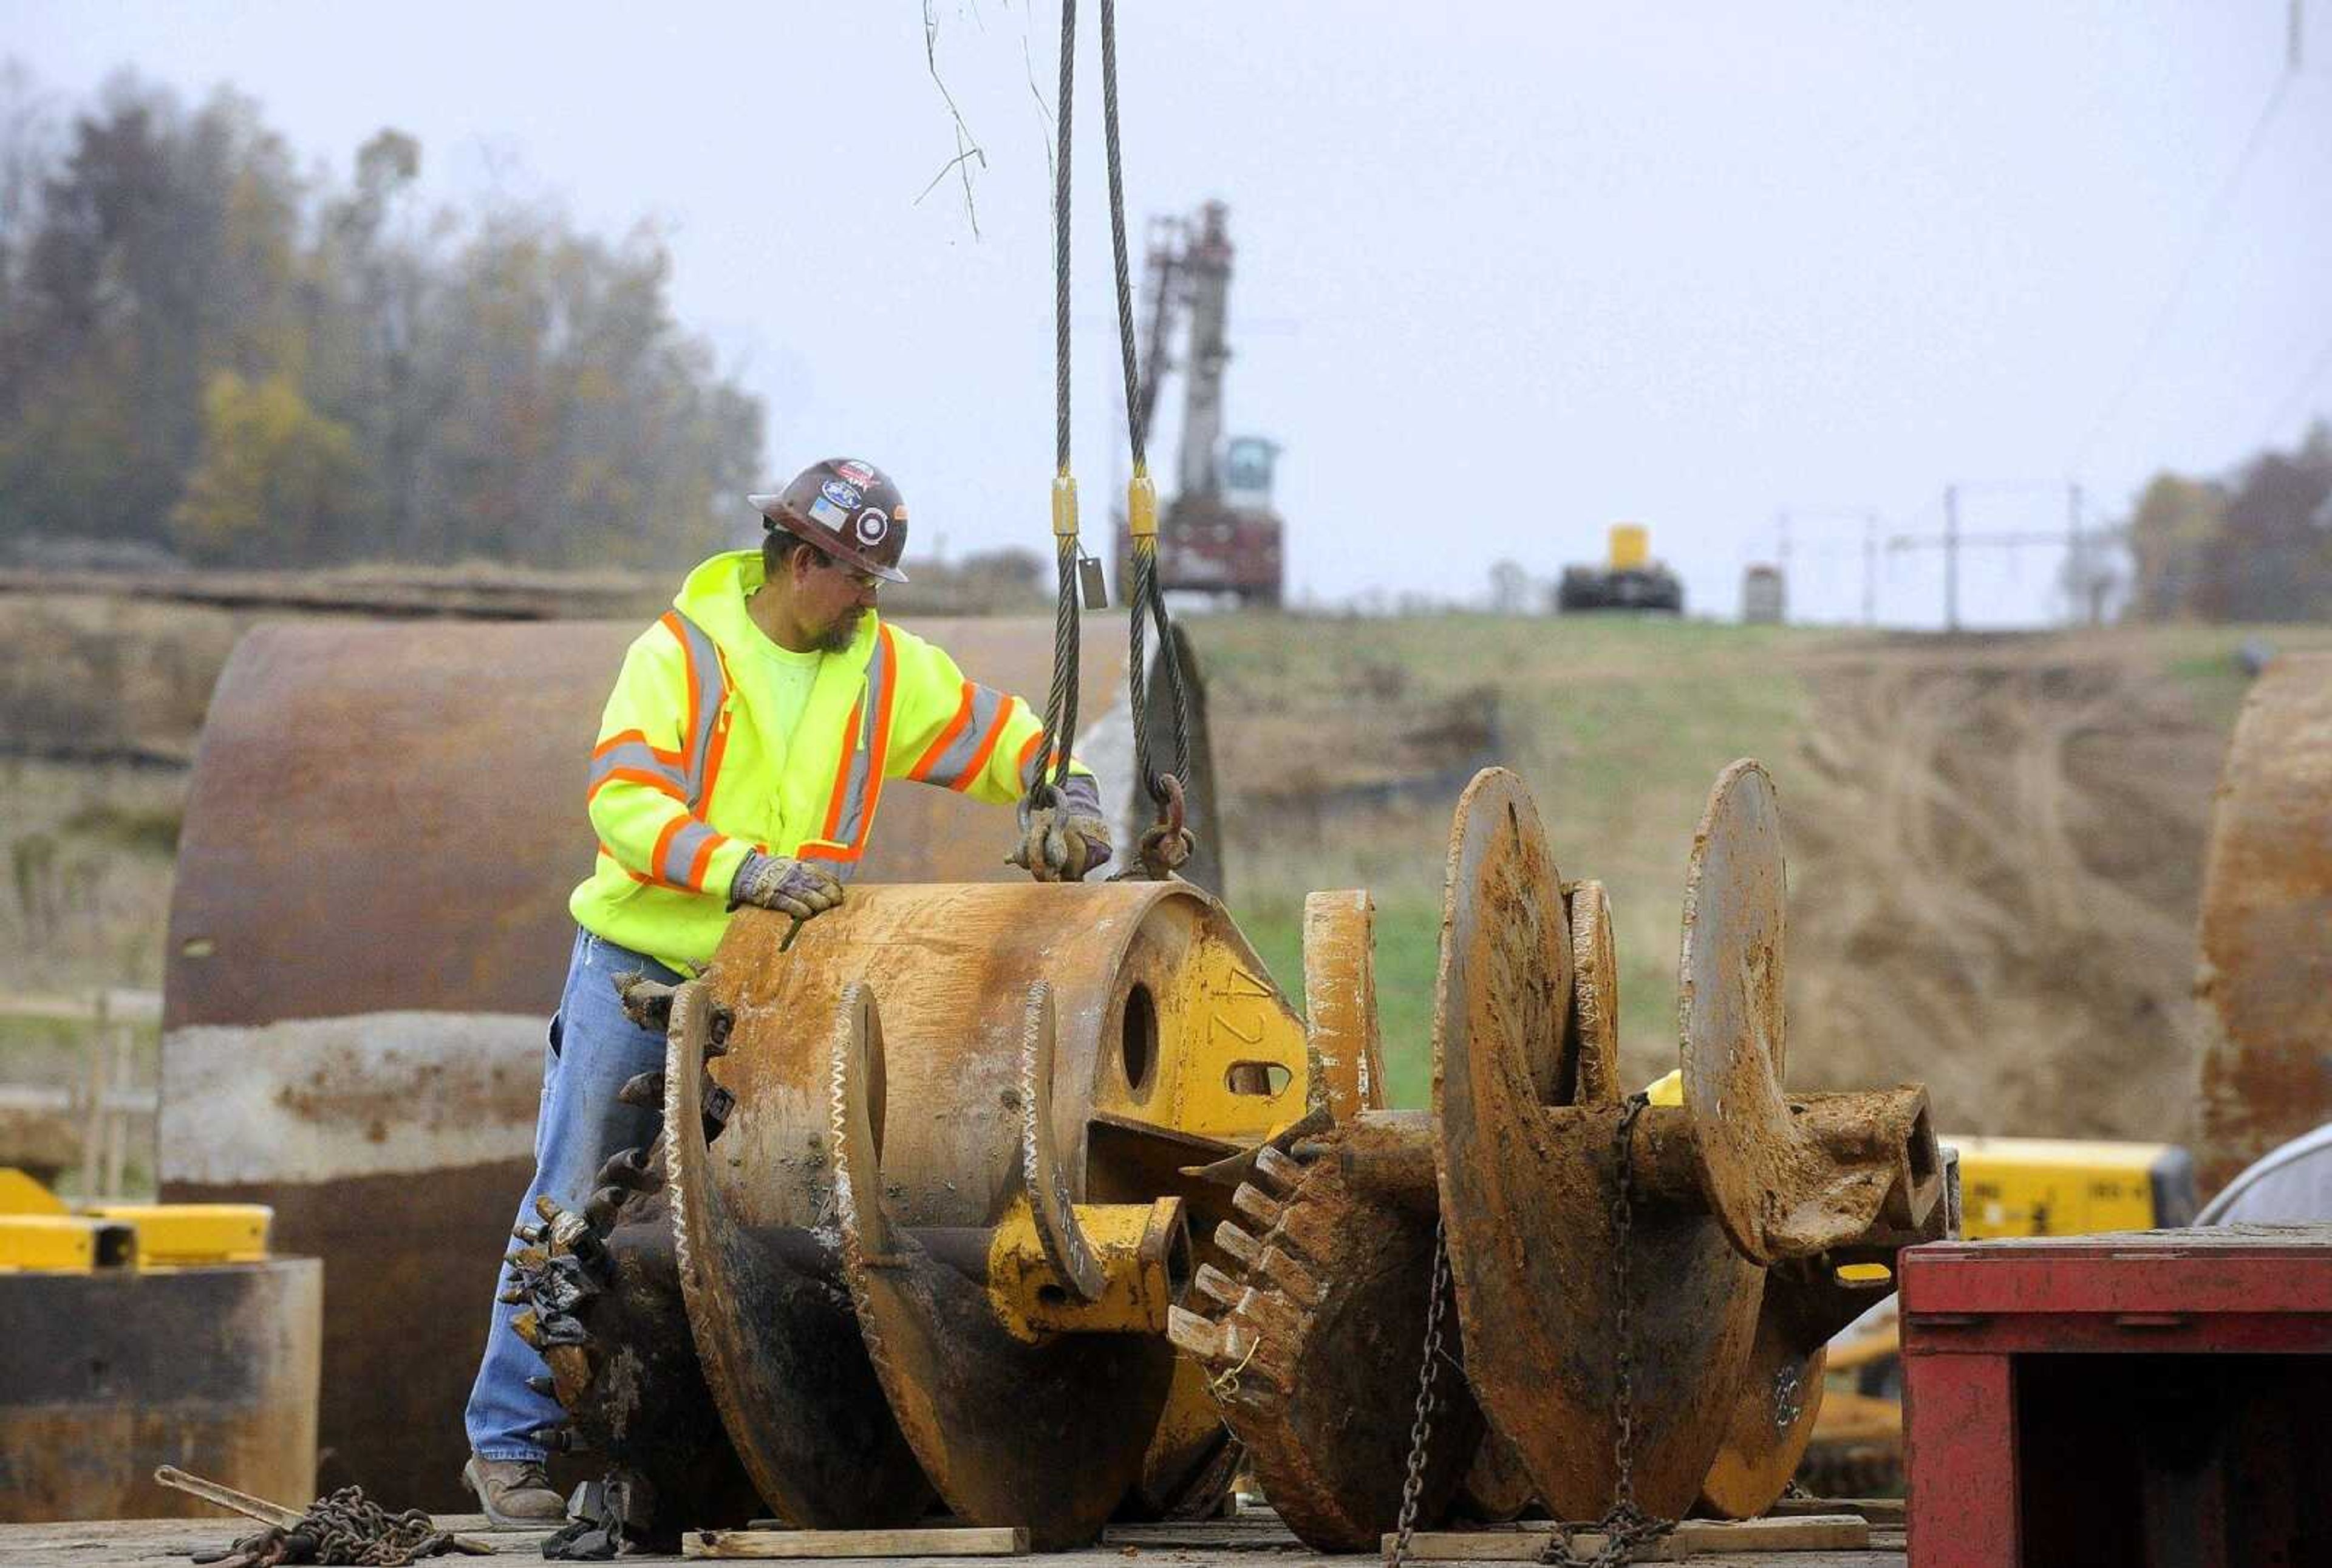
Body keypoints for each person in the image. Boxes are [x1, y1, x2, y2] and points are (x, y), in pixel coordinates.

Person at [460, 457, 1112, 1524]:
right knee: (575, 1202)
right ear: (801, 560)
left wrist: (1064, 787)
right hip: (642, 963)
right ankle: (511, 1446)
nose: (867, 597)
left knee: (778, 1213)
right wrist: (740, 871)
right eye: (856, 575)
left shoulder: (882, 668)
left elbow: (1004, 737)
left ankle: (739, 1447)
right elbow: (621, 803)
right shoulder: (681, 656)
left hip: (777, 987)